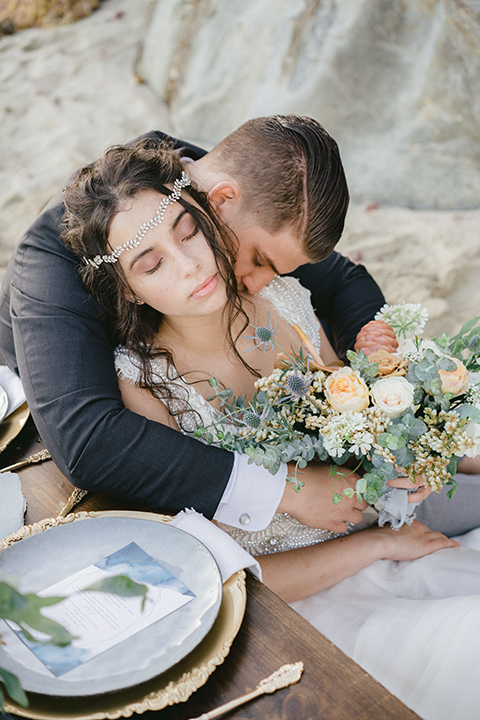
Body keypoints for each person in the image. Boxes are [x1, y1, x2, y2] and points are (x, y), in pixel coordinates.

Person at [61, 139, 480, 720]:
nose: (190, 265)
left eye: (186, 231)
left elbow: (349, 420)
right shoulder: (143, 384)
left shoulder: (282, 294)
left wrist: (399, 450)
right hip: (304, 601)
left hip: (385, 530)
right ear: (128, 289)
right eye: (151, 263)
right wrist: (376, 543)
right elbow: (220, 576)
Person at [0, 115, 386, 532]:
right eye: (258, 260)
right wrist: (286, 490)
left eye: (188, 234)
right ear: (219, 202)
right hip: (48, 411)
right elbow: (90, 442)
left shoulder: (200, 179)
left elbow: (344, 281)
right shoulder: (48, 261)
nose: (260, 281)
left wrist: (381, 372)